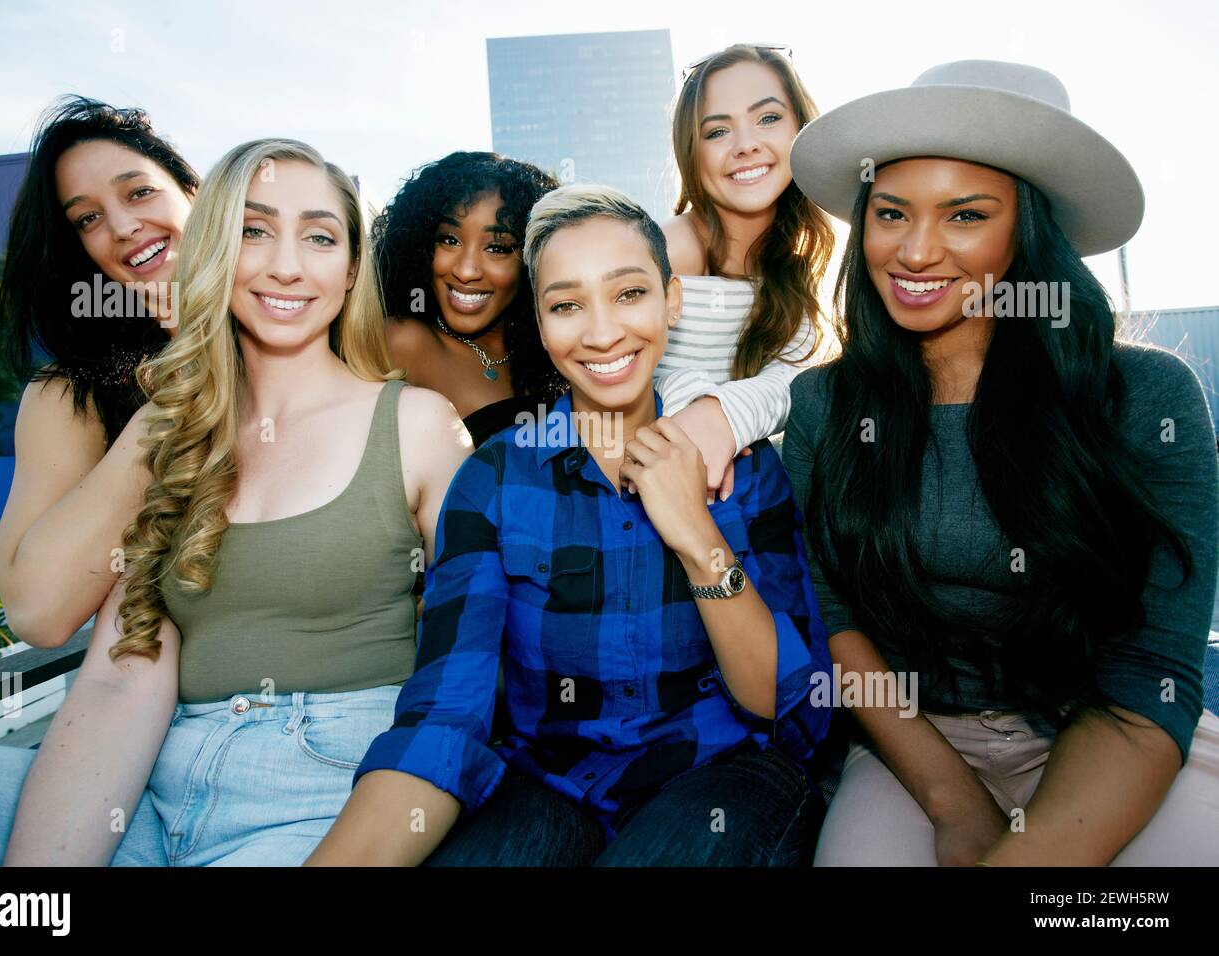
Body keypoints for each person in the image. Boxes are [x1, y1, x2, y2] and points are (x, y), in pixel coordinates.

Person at [0, 138, 469, 866]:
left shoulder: (418, 423)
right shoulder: (167, 441)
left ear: (349, 271)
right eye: (254, 231)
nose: (285, 264)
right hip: (160, 785)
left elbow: (473, 666)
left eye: (319, 236)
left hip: (324, 786)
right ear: (216, 251)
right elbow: (118, 680)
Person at [306, 184, 833, 867]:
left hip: (725, 773)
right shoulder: (493, 480)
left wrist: (697, 537)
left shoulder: (746, 470)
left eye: (630, 294)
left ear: (671, 300)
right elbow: (445, 713)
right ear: (540, 319)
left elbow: (790, 711)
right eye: (565, 305)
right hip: (548, 779)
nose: (603, 332)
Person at [783, 59, 1219, 865]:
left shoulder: (1147, 395)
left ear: (1028, 231)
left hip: (1117, 733)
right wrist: (953, 804)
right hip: (915, 749)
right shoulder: (825, 406)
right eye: (890, 213)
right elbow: (834, 620)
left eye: (965, 215)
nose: (915, 251)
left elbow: (1151, 668)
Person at [0, 95, 198, 649]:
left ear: (194, 194)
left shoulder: (304, 326)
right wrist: (185, 381)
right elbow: (38, 614)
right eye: (88, 218)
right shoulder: (71, 395)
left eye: (140, 191)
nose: (125, 225)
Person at [657, 44, 834, 503]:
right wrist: (699, 405)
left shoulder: (800, 260)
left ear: (801, 128)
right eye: (717, 131)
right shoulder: (669, 249)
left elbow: (802, 383)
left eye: (769, 118)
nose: (746, 144)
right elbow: (617, 364)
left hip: (754, 506)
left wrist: (726, 414)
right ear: (691, 152)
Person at [375, 151, 566, 448]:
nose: (466, 271)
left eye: (497, 248)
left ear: (532, 260)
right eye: (449, 240)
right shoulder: (401, 342)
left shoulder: (553, 355)